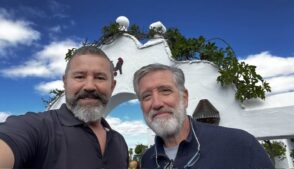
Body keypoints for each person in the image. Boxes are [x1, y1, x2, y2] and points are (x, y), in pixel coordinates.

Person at [0, 46, 129, 169]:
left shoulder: (120, 142)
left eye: (100, 78)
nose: (89, 86)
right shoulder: (37, 128)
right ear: (65, 82)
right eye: (79, 76)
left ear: (112, 86)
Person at [133, 63, 274, 169]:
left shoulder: (240, 145)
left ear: (184, 97)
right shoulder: (147, 160)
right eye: (146, 96)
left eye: (165, 91)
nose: (156, 103)